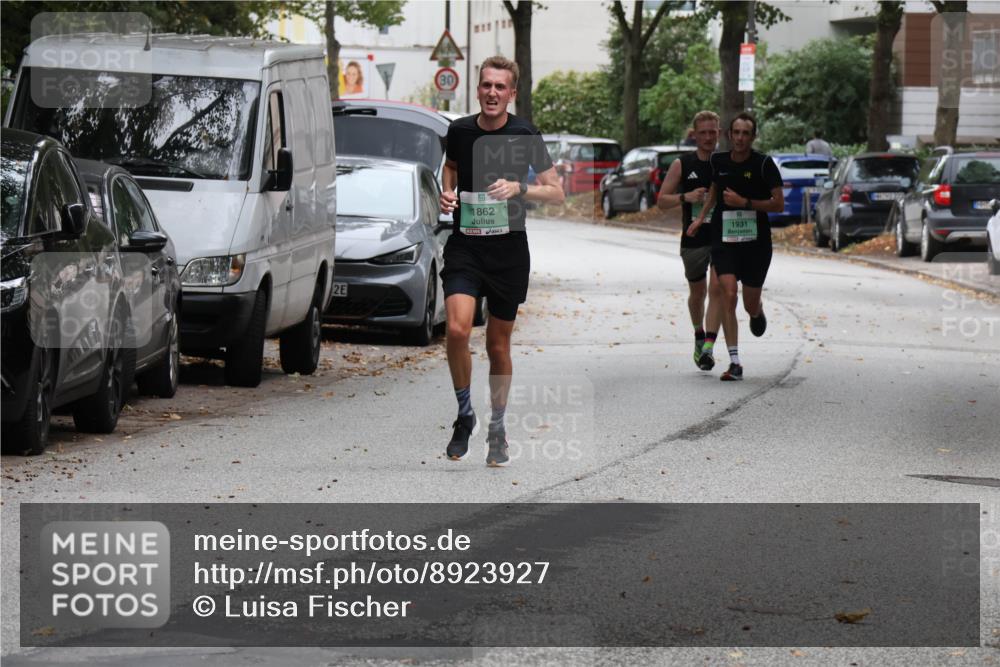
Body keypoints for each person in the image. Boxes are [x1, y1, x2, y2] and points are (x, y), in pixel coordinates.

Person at [439, 56, 564, 466]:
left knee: (497, 345)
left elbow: (556, 191)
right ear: (478, 89)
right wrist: (448, 193)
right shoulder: (459, 130)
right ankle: (464, 415)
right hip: (466, 246)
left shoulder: (524, 132)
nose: (492, 93)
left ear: (511, 93)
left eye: (500, 87)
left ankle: (498, 425)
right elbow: (451, 168)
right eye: (486, 85)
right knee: (457, 330)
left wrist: (519, 187)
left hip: (508, 250)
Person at [688, 112, 784, 381]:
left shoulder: (764, 164)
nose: (740, 138)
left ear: (753, 137)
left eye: (746, 133)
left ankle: (757, 310)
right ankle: (735, 362)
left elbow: (779, 204)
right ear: (729, 135)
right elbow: (714, 192)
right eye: (736, 132)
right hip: (725, 239)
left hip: (756, 244)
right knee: (728, 293)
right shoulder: (718, 161)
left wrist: (746, 203)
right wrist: (700, 219)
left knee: (747, 302)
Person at [656, 110, 726, 371]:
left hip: (722, 236)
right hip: (694, 237)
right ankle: (699, 334)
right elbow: (662, 201)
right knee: (698, 293)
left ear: (719, 133)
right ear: (694, 135)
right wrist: (687, 197)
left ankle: (709, 345)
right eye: (703, 132)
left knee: (718, 288)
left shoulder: (726, 161)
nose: (708, 137)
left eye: (713, 132)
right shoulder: (682, 164)